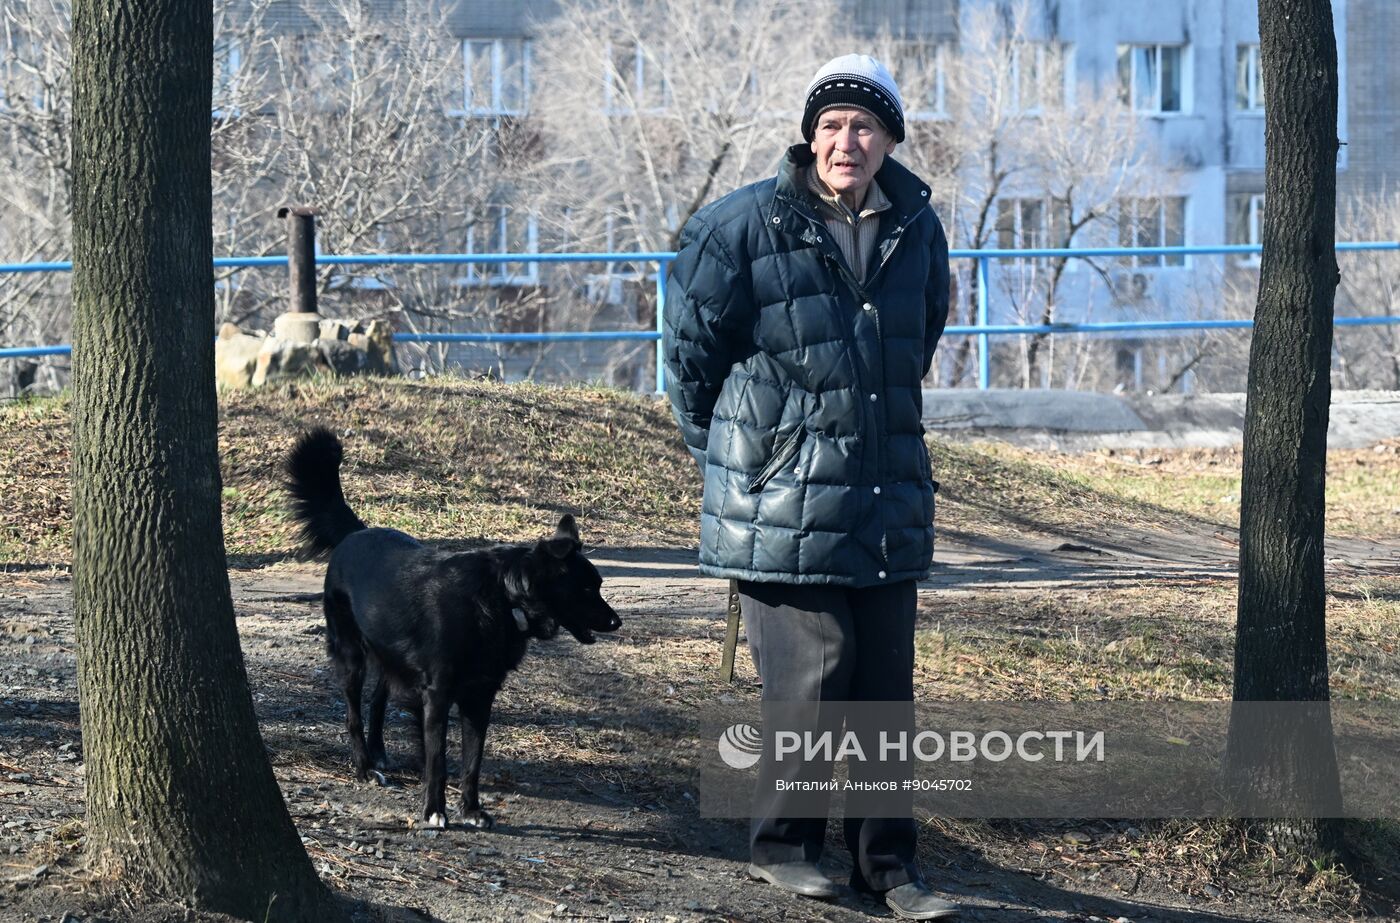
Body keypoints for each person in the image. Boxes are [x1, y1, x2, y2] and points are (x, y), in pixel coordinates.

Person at [662, 54, 959, 920]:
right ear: (808, 136)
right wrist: (738, 457)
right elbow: (688, 358)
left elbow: (918, 338)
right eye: (830, 126)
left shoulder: (917, 230)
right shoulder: (743, 225)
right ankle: (784, 847)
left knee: (883, 686)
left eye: (864, 126)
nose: (846, 141)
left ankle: (890, 868)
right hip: (778, 500)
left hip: (883, 490)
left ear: (890, 141)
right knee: (816, 673)